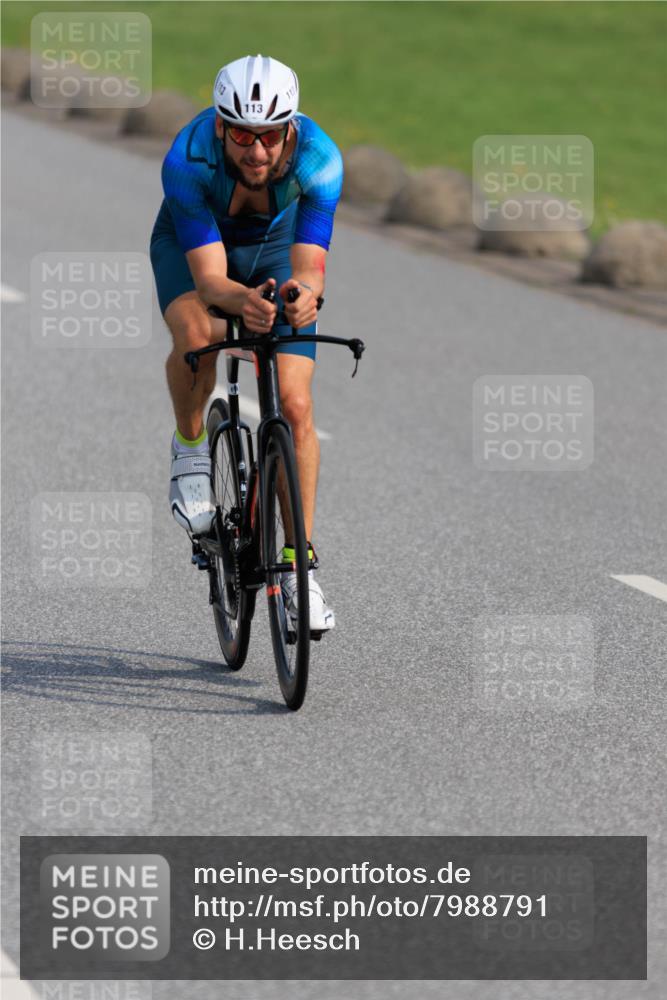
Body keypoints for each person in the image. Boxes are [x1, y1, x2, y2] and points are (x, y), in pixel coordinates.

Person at [150, 54, 343, 633]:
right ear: (219, 127)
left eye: (268, 137)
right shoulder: (187, 161)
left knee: (297, 404)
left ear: (290, 128)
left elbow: (311, 266)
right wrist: (242, 305)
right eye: (241, 136)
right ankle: (189, 449)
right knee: (198, 330)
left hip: (275, 246)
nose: (256, 153)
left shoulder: (321, 161)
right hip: (198, 248)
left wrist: (303, 297)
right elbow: (211, 282)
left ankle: (297, 571)